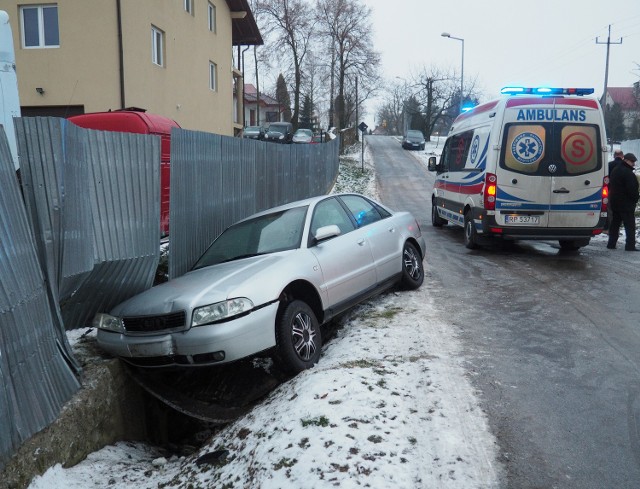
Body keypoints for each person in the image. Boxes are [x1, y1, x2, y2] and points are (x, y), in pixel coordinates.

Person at [607, 153, 639, 251]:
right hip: (626, 204)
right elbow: (632, 189)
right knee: (629, 225)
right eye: (632, 162)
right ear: (626, 160)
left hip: (615, 202)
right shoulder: (628, 173)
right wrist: (635, 198)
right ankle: (630, 246)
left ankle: (611, 244)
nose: (633, 164)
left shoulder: (616, 170)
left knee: (615, 224)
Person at [604, 150, 626, 231]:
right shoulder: (625, 166)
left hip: (610, 191)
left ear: (614, 156)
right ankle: (619, 227)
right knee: (621, 210)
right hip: (623, 192)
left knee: (610, 210)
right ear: (622, 156)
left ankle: (610, 227)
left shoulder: (609, 165)